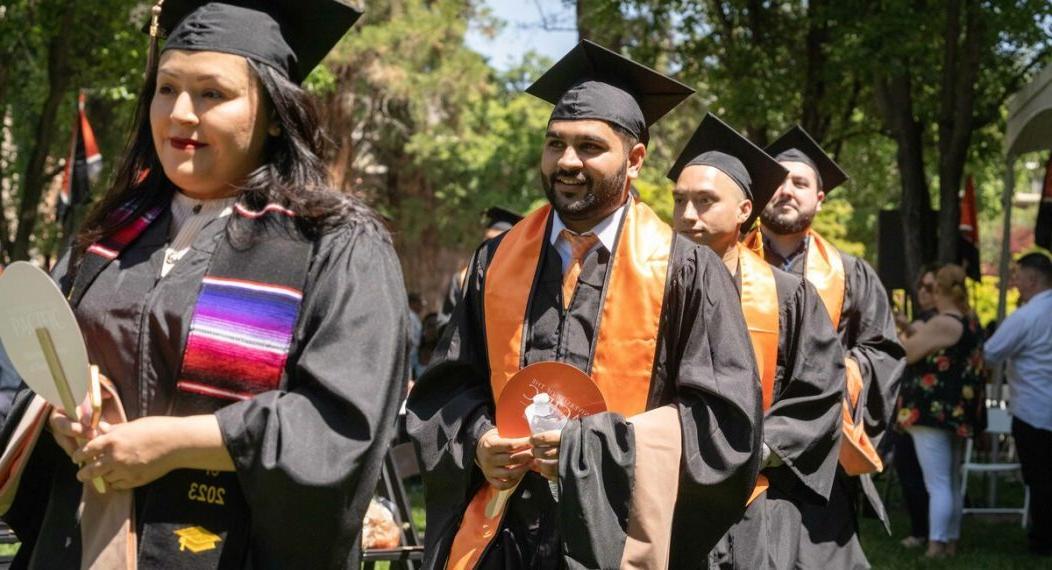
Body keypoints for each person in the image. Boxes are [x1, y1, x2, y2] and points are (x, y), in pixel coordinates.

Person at [0, 2, 408, 568]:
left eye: (212, 94)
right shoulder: (107, 234)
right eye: (166, 90)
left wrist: (176, 445)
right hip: (81, 542)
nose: (180, 115)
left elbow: (341, 425)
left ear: (273, 113)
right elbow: (28, 377)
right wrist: (64, 408)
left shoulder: (334, 245)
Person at [407, 40, 763, 569]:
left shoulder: (687, 270)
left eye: (590, 147)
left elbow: (724, 425)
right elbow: (450, 388)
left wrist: (594, 448)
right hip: (507, 535)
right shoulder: (495, 260)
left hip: (617, 536)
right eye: (555, 144)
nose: (567, 161)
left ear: (635, 159)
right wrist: (479, 439)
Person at [667, 114, 844, 569]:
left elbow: (818, 391)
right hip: (663, 492)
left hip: (755, 499)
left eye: (705, 201)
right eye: (680, 200)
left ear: (745, 210)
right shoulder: (648, 286)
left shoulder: (789, 296)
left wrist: (749, 454)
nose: (688, 215)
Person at [743, 125, 906, 568]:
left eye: (800, 183)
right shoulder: (727, 263)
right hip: (742, 444)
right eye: (777, 181)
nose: (786, 191)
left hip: (820, 456)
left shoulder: (853, 274)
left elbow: (882, 353)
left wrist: (832, 378)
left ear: (819, 198)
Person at [896, 264, 986, 559]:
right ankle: (949, 542)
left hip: (931, 411)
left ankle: (935, 546)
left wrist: (900, 335)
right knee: (952, 479)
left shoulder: (942, 323)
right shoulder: (970, 321)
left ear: (939, 291)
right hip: (957, 411)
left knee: (937, 483)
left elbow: (907, 353)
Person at [984, 248, 1052, 557]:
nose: (1016, 284)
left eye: (1019, 278)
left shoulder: (1027, 316)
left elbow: (991, 351)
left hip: (1034, 409)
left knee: (1040, 479)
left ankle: (1042, 541)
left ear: (1034, 278)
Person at [892, 265, 939, 549]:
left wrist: (905, 329)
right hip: (912, 407)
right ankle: (927, 530)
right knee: (913, 470)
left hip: (923, 410)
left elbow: (904, 352)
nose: (923, 292)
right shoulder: (925, 321)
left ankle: (925, 532)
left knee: (917, 472)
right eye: (921, 285)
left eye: (931, 287)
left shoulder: (936, 323)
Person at [436, 207, 522, 333]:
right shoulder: (463, 278)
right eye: (488, 240)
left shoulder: (524, 280)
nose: (491, 246)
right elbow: (444, 321)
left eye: (499, 241)